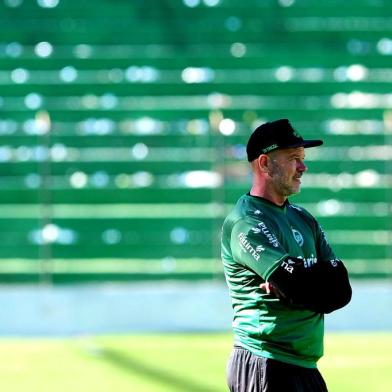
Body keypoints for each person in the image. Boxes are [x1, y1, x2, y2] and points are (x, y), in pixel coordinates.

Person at [221, 119, 352, 392]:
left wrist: (294, 283)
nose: (303, 167)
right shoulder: (246, 223)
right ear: (265, 164)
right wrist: (302, 281)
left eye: (303, 158)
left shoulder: (303, 218)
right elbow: (295, 283)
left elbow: (341, 288)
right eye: (294, 158)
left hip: (306, 366)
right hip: (265, 363)